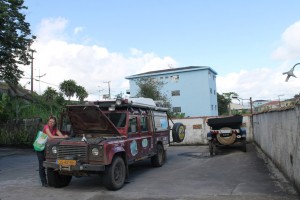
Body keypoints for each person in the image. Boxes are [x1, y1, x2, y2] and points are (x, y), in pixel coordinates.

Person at [36, 116, 68, 187]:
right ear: (48, 121)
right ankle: (44, 182)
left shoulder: (55, 129)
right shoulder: (46, 127)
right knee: (42, 166)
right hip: (41, 148)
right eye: (50, 121)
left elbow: (61, 136)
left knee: (52, 162)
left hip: (48, 149)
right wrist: (63, 137)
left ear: (55, 123)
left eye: (53, 122)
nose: (51, 123)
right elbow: (51, 137)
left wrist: (63, 137)